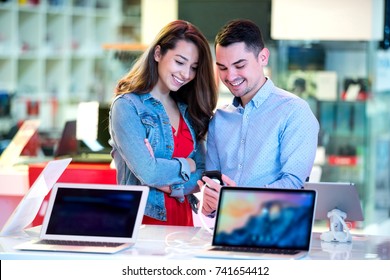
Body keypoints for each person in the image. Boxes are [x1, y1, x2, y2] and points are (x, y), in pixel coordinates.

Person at [199, 19, 319, 216]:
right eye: (222, 67)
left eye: (240, 65)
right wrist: (209, 204)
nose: (230, 76)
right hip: (227, 231)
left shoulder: (294, 111)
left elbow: (294, 184)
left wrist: (235, 202)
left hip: (277, 232)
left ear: (263, 57)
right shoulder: (219, 120)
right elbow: (212, 189)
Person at [109, 20, 218, 226]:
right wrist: (188, 163)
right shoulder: (127, 106)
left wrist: (170, 185)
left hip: (182, 223)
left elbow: (202, 172)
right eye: (179, 62)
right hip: (141, 223)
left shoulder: (187, 109)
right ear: (158, 53)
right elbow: (148, 172)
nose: (186, 74)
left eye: (193, 67)